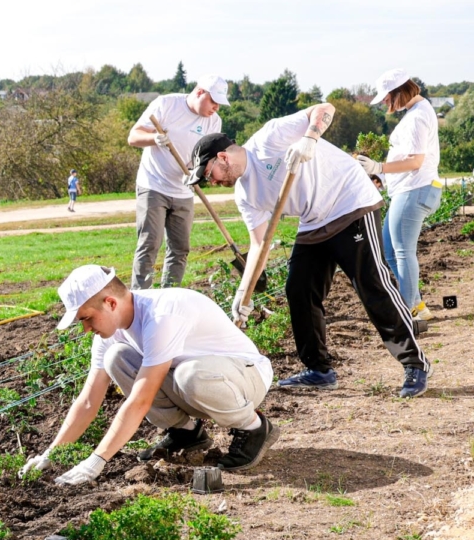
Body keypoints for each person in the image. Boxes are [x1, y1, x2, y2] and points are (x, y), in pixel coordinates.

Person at [183, 102, 430, 398]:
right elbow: (260, 243)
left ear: (222, 157)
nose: (212, 182)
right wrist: (242, 294)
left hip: (350, 202)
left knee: (372, 284)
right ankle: (319, 370)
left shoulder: (269, 138)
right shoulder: (245, 195)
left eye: (209, 174)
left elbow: (325, 109)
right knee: (299, 288)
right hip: (314, 220)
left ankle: (414, 363)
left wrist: (309, 139)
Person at [18, 265, 278, 486]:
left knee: (189, 375)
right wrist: (49, 455)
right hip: (199, 381)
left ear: (110, 303)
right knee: (116, 358)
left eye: (86, 318)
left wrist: (96, 462)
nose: (85, 328)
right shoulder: (111, 333)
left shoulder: (161, 315)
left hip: (245, 377)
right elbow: (88, 401)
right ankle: (187, 432)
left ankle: (253, 427)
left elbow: (141, 400)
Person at [355, 69, 442, 321]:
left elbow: (415, 161)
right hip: (411, 188)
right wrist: (381, 176)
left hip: (414, 190)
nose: (384, 102)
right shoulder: (417, 111)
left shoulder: (416, 117)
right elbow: (406, 158)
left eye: (386, 97)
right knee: (391, 250)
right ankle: (416, 305)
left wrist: (379, 167)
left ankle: (407, 312)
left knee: (402, 252)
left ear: (399, 92)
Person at [126, 75, 228, 289]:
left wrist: (195, 173)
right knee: (149, 244)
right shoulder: (167, 104)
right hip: (153, 184)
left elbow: (206, 157)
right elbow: (133, 137)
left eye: (219, 103)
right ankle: (139, 299)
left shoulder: (213, 121)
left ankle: (168, 297)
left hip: (183, 191)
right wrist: (153, 139)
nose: (216, 107)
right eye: (213, 101)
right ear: (200, 92)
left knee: (180, 248)